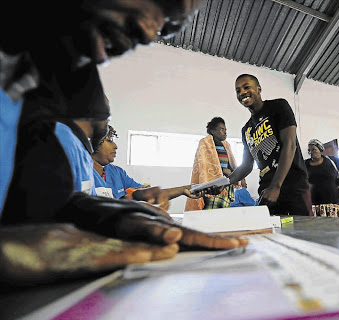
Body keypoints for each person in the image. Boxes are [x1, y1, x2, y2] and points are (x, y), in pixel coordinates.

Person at [0, 0, 247, 287]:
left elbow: (30, 207)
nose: (149, 32)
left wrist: (106, 218)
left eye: (171, 24)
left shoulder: (38, 74)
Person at [229, 74, 312, 216]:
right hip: (267, 190)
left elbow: (290, 144)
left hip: (292, 184)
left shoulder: (278, 106)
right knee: (270, 233)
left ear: (259, 89)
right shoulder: (246, 130)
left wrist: (276, 185)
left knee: (302, 233)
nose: (242, 92)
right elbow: (246, 166)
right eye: (238, 90)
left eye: (246, 87)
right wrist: (224, 182)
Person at [92, 125, 200, 211]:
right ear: (93, 142)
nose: (115, 146)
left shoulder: (117, 172)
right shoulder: (82, 173)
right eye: (109, 140)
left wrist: (187, 189)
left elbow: (147, 193)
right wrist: (133, 197)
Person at [185, 117, 238, 211]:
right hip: (212, 186)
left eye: (225, 129)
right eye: (222, 129)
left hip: (225, 186)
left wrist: (239, 177)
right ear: (213, 131)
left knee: (222, 214)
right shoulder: (205, 142)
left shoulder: (226, 145)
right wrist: (222, 170)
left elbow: (231, 164)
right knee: (211, 213)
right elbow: (204, 164)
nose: (225, 132)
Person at [305, 139, 339, 217]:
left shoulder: (331, 160)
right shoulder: (306, 164)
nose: (311, 152)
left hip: (332, 202)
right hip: (314, 204)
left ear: (320, 149)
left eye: (313, 149)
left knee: (334, 227)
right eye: (309, 150)